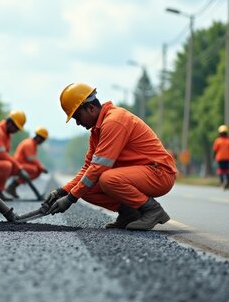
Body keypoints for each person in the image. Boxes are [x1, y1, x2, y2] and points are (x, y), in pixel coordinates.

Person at [44, 83, 177, 230]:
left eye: (77, 116)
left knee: (107, 179)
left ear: (91, 108)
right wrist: (62, 191)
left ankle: (153, 210)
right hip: (143, 172)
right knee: (86, 187)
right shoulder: (97, 131)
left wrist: (70, 199)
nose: (77, 123)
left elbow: (98, 168)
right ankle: (129, 213)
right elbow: (88, 168)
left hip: (159, 173)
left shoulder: (114, 121)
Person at [0, 110, 30, 201]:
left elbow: (5, 155)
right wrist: (19, 168)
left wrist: (19, 168)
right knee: (7, 165)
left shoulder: (7, 134)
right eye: (17, 128)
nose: (17, 131)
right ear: (10, 123)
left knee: (12, 165)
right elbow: (1, 155)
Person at [6, 126, 49, 199]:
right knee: (35, 170)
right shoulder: (29, 144)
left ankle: (13, 186)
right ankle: (13, 185)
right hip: (17, 166)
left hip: (22, 165)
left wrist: (40, 168)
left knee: (37, 170)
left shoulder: (33, 144)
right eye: (43, 139)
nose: (43, 141)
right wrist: (41, 167)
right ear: (39, 137)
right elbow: (30, 159)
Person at [213, 124, 229, 190]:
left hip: (220, 158)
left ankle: (221, 181)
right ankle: (228, 183)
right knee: (227, 170)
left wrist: (213, 157)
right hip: (228, 158)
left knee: (221, 170)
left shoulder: (217, 141)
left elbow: (215, 150)